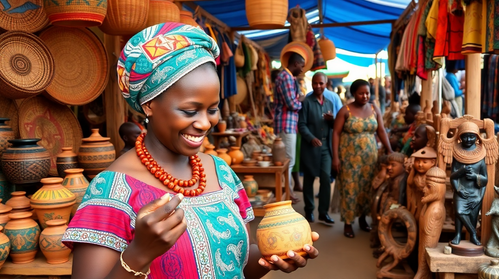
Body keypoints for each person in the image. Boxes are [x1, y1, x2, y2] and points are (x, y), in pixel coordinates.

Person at [62, 23, 319, 279]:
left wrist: (272, 258)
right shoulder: (111, 191)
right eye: (189, 110)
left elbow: (237, 266)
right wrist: (139, 253)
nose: (205, 123)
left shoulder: (221, 172)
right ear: (149, 104)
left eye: (212, 109)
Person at [332, 79, 392, 238]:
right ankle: (348, 223)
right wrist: (335, 158)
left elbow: (381, 131)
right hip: (349, 158)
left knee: (367, 188)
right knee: (350, 189)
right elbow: (336, 133)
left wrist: (389, 150)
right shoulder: (345, 110)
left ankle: (363, 219)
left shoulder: (374, 109)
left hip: (369, 158)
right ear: (353, 94)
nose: (365, 96)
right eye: (361, 93)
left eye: (367, 93)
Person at [298, 73, 335, 224]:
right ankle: (309, 211)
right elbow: (301, 124)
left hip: (326, 146)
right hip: (310, 146)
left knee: (326, 178)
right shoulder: (306, 102)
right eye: (315, 83)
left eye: (321, 83)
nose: (318, 86)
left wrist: (331, 121)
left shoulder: (329, 103)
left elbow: (333, 126)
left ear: (326, 84)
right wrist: (311, 138)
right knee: (309, 178)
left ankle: (323, 212)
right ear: (312, 84)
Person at [274, 52, 306, 202]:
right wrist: (301, 100)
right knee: (289, 160)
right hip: (286, 124)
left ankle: (287, 191)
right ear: (295, 64)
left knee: (288, 160)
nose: (302, 69)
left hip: (288, 123)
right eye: (302, 66)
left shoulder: (288, 77)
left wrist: (297, 99)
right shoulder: (286, 78)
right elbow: (292, 104)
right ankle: (286, 193)